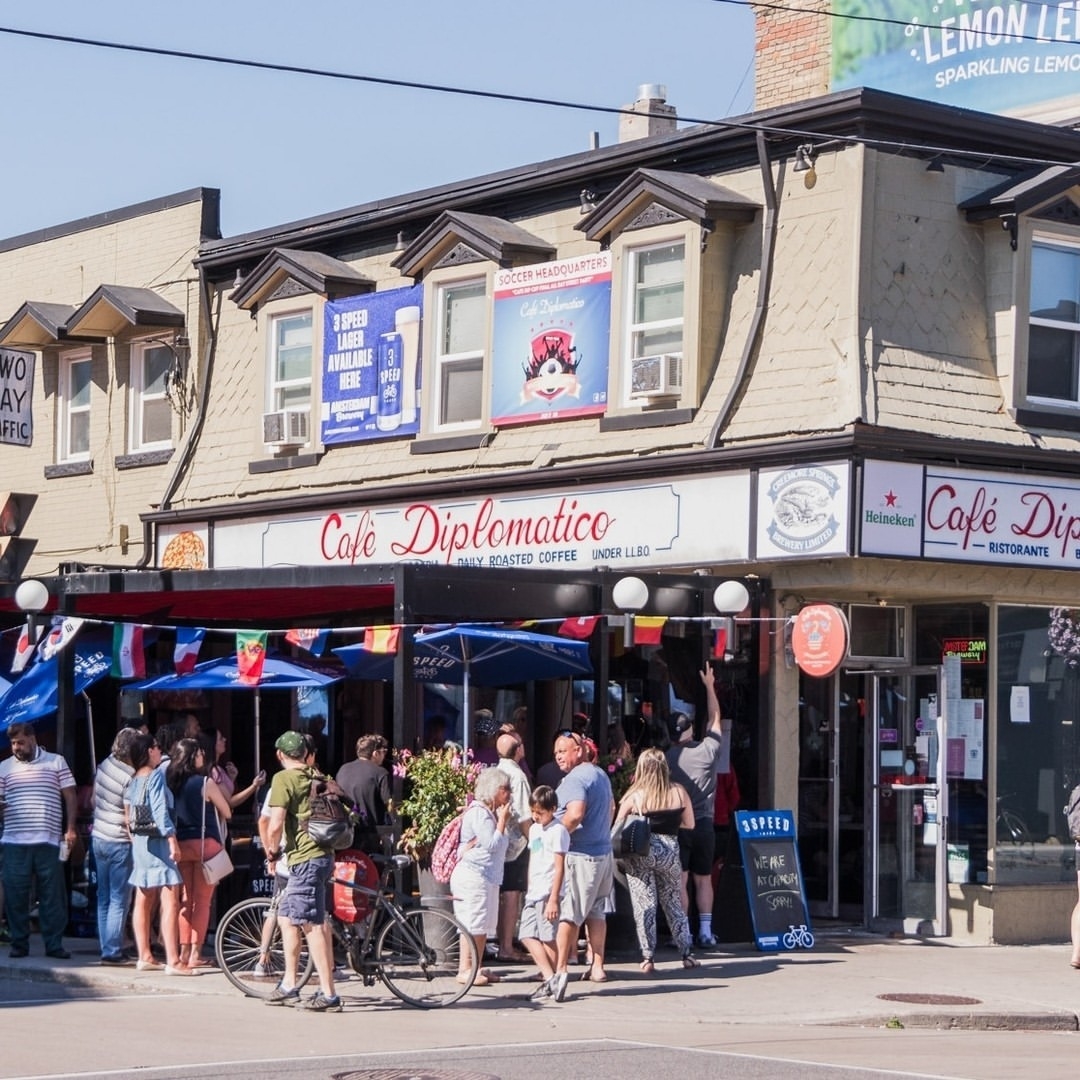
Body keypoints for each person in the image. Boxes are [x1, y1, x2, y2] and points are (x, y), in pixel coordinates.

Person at [263, 729, 341, 1012]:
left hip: (304, 859)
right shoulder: (318, 776)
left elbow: (275, 823)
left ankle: (329, 994)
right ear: (305, 755)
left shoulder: (284, 778)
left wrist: (272, 852)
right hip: (322, 856)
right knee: (286, 917)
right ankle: (288, 984)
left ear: (280, 755)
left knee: (312, 924)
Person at [614, 748, 697, 973]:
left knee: (645, 904)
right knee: (673, 901)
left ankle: (648, 957)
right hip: (669, 849)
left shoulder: (634, 795)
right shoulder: (679, 791)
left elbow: (618, 827)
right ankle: (686, 953)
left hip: (640, 851)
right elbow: (690, 824)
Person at [0, 722, 78, 959]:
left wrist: (71, 828)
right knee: (15, 894)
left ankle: (54, 944)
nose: (16, 747)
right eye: (13, 743)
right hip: (14, 841)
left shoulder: (56, 762)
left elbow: (70, 796)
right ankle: (19, 943)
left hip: (48, 840)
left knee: (51, 895)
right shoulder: (4, 767)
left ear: (32, 739)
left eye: (20, 742)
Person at [666, 667, 729, 949]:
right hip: (704, 823)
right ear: (691, 729)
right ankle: (705, 931)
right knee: (703, 879)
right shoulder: (706, 751)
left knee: (681, 879)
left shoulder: (667, 759)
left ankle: (684, 934)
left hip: (677, 825)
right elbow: (716, 719)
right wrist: (709, 686)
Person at [550, 729, 615, 1001]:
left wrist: (554, 834)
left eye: (563, 751)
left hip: (581, 857)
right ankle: (597, 966)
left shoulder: (575, 779)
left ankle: (561, 970)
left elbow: (575, 814)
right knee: (597, 912)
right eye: (556, 754)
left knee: (570, 914)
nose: (559, 758)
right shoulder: (599, 774)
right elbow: (611, 807)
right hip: (603, 853)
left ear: (579, 750)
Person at [124, 732, 190, 975]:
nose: (159, 751)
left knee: (142, 898)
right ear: (148, 751)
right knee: (170, 897)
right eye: (156, 747)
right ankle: (173, 960)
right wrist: (172, 840)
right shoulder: (154, 777)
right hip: (159, 842)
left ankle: (145, 955)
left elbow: (128, 813)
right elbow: (161, 811)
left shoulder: (133, 780)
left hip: (141, 842)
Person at [166, 738, 233, 968]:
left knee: (186, 900)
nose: (203, 756)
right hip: (206, 844)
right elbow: (227, 811)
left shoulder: (171, 783)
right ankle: (196, 953)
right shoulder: (205, 782)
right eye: (200, 753)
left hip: (182, 845)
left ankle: (183, 952)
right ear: (193, 757)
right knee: (203, 903)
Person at [450, 766, 512, 987]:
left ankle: (474, 965)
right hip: (474, 875)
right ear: (494, 790)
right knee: (473, 922)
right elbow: (493, 844)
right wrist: (503, 821)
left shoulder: (488, 813)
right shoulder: (480, 813)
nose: (509, 794)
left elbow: (501, 844)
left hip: (487, 876)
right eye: (506, 789)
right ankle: (465, 968)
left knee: (483, 923)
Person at [91, 727, 138, 965]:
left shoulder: (104, 765)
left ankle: (106, 946)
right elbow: (131, 816)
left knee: (103, 897)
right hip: (119, 839)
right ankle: (112, 951)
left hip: (99, 837)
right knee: (120, 899)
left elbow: (93, 801)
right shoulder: (130, 776)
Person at [520, 785, 569, 1000]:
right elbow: (534, 858)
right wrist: (530, 886)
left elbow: (559, 867)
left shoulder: (558, 831)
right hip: (534, 890)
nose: (535, 816)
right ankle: (551, 977)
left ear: (553, 809)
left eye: (540, 812)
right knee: (526, 934)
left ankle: (557, 974)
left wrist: (553, 899)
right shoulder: (534, 830)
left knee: (548, 936)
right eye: (533, 812)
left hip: (548, 891)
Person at [493, 731, 532, 962]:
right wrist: (536, 842)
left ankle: (502, 942)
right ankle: (507, 946)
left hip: (499, 840)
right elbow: (524, 816)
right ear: (518, 750)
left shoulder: (496, 771)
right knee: (511, 894)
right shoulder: (517, 776)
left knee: (503, 893)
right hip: (516, 843)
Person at [335, 734, 392, 854]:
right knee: (372, 870)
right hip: (371, 833)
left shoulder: (343, 769)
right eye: (384, 751)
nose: (385, 755)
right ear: (375, 753)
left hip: (344, 832)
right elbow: (389, 804)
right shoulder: (380, 773)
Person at [203, 727, 266, 809]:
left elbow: (226, 793)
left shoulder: (218, 769)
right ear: (212, 744)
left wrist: (231, 778)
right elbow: (230, 802)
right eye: (220, 738)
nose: (224, 739)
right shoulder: (213, 771)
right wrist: (254, 786)